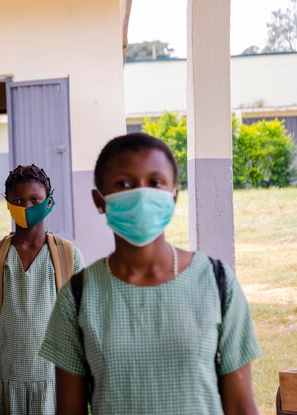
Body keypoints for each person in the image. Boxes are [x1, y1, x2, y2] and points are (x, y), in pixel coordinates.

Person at [39, 133, 261, 414]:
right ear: (99, 200)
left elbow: (240, 404)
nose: (142, 194)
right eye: (124, 184)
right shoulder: (78, 297)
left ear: (173, 197)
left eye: (155, 183)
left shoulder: (217, 282)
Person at [0, 164, 85, 415]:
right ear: (8, 204)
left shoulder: (68, 257)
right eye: (18, 201)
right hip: (7, 390)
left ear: (49, 201)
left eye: (35, 199)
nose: (26, 207)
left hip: (56, 390)